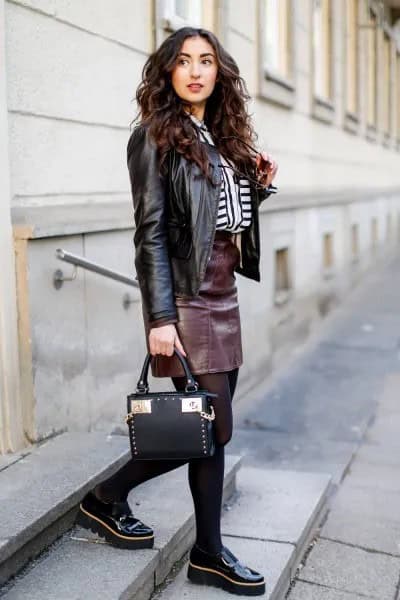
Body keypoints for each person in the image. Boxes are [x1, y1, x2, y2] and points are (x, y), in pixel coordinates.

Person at [76, 26, 278, 596]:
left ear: (220, 72)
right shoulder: (155, 136)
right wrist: (159, 319)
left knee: (209, 428)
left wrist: (256, 187)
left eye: (206, 61)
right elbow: (151, 235)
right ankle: (147, 518)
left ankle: (131, 510)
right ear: (167, 72)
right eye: (183, 61)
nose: (195, 71)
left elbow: (217, 217)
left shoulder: (219, 135)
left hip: (223, 292)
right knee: (211, 429)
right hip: (186, 299)